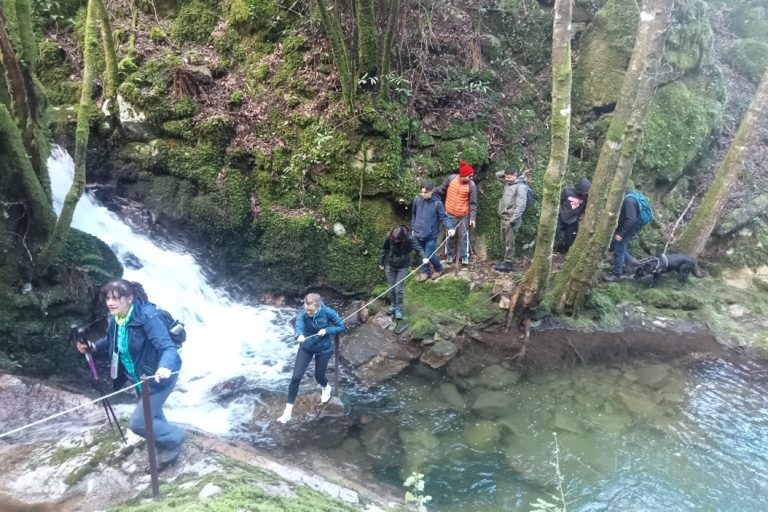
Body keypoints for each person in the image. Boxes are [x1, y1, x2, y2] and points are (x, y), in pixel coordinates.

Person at [76, 279, 184, 470]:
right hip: (137, 376)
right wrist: (92, 347)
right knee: (152, 414)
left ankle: (177, 437)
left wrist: (164, 367)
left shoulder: (148, 318)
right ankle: (168, 449)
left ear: (130, 298)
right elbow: (111, 341)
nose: (110, 303)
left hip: (158, 376)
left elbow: (168, 348)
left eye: (116, 298)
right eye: (108, 298)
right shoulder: (116, 318)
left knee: (139, 423)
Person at [277, 293, 345, 424]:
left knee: (319, 376)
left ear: (318, 306)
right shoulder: (303, 312)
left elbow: (341, 326)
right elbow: (299, 325)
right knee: (296, 377)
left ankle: (326, 387)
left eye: (311, 310)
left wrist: (327, 330)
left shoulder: (328, 312)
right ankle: (287, 412)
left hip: (323, 349)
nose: (308, 312)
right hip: (306, 347)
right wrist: (299, 335)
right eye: (306, 308)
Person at [379, 225, 430, 320]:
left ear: (402, 238)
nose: (395, 241)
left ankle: (399, 309)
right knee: (391, 288)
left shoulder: (409, 239)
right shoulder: (389, 237)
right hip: (390, 265)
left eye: (397, 240)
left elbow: (418, 248)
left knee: (399, 290)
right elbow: (384, 249)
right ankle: (393, 305)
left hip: (403, 267)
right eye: (394, 239)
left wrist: (424, 257)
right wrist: (381, 262)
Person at [411, 182, 456, 281]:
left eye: (426, 192)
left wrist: (450, 227)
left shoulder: (437, 204)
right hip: (418, 233)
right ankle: (425, 271)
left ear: (431, 191)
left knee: (429, 254)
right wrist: (413, 228)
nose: (423, 194)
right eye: (422, 192)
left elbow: (444, 217)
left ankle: (439, 269)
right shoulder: (417, 200)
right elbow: (414, 215)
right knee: (421, 254)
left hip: (431, 235)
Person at [435, 161, 478, 266]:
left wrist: (472, 218)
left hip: (464, 214)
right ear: (463, 176)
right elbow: (442, 189)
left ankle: (464, 257)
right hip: (450, 213)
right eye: (469, 176)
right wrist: (432, 191)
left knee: (464, 236)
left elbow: (473, 203)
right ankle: (450, 256)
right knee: (450, 235)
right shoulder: (452, 179)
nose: (471, 178)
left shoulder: (471, 185)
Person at [494, 166, 529, 272]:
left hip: (511, 220)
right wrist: (505, 173)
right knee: (504, 240)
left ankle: (508, 264)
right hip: (504, 217)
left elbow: (521, 206)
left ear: (515, 175)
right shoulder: (508, 183)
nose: (506, 179)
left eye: (509, 177)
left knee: (510, 242)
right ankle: (505, 261)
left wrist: (512, 220)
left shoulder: (521, 187)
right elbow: (497, 174)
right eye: (506, 177)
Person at [604, 191, 642, 282]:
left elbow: (631, 219)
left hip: (627, 228)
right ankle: (631, 262)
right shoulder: (631, 198)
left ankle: (616, 274)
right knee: (619, 246)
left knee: (619, 249)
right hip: (629, 227)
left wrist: (621, 234)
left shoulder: (628, 201)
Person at [555, 178, 591, 252]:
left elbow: (586, 208)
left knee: (570, 243)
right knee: (557, 239)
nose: (585, 192)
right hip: (561, 218)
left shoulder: (586, 197)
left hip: (573, 222)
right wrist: (559, 212)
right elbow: (559, 201)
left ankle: (565, 255)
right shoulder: (567, 191)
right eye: (585, 190)